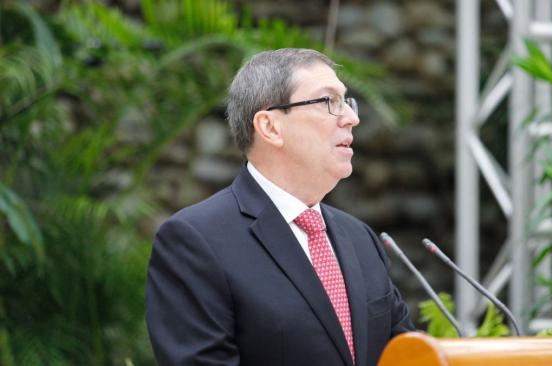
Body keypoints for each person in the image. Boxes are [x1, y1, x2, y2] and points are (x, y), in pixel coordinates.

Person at [145, 48, 414, 366]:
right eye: (329, 102)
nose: (352, 118)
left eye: (347, 101)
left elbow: (406, 354)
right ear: (270, 127)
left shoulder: (360, 239)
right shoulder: (195, 241)